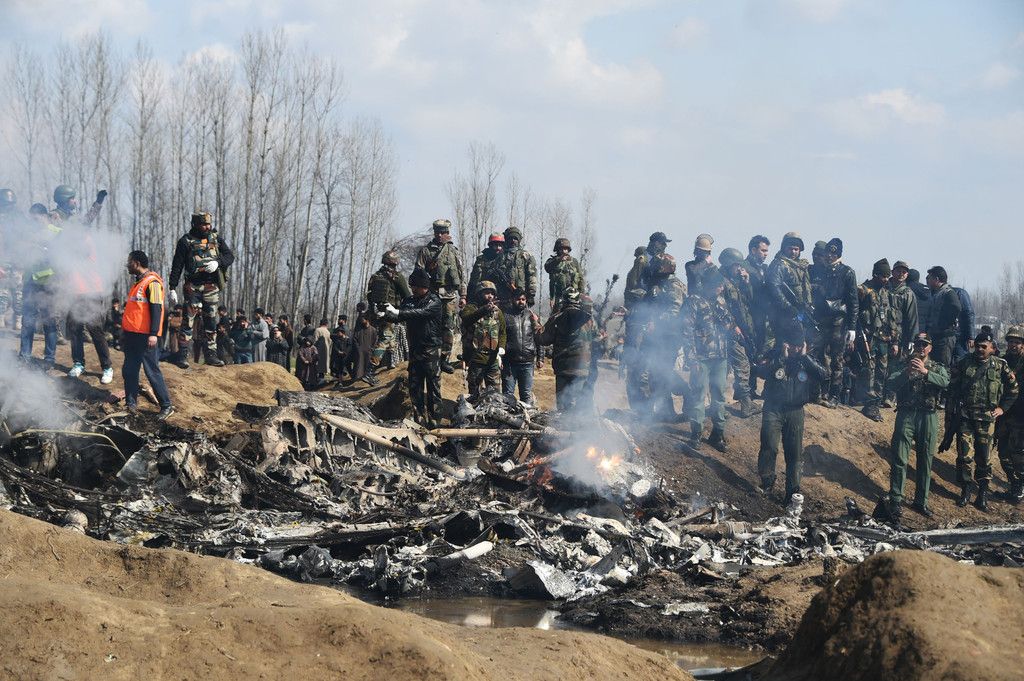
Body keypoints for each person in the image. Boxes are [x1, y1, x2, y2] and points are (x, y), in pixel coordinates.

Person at [945, 331, 1018, 511]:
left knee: (984, 459)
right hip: (966, 418)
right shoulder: (964, 363)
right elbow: (952, 388)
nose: (980, 349)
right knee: (964, 457)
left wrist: (1002, 408)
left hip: (987, 421)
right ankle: (965, 490)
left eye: (984, 347)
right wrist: (951, 414)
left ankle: (982, 494)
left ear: (992, 348)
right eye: (977, 346)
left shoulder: (1000, 366)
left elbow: (1013, 389)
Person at [755, 322, 828, 503]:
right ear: (785, 343)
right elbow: (760, 371)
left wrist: (805, 358)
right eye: (792, 345)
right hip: (773, 408)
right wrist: (781, 357)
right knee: (769, 446)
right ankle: (767, 481)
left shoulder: (808, 358)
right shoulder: (775, 354)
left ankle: (792, 493)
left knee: (794, 454)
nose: (795, 348)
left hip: (796, 411)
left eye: (798, 345)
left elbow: (824, 375)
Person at [883, 332, 949, 521]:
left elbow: (946, 383)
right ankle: (896, 499)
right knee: (900, 457)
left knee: (925, 460)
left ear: (930, 348)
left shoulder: (937, 367)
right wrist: (907, 372)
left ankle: (921, 501)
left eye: (924, 345)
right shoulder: (903, 364)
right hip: (906, 414)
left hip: (928, 416)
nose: (921, 348)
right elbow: (890, 383)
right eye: (918, 344)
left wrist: (926, 372)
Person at [168, 211, 233, 367]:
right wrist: (172, 287)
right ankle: (183, 355)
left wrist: (218, 262)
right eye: (203, 224)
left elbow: (230, 256)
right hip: (193, 286)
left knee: (211, 321)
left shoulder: (216, 239)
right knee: (188, 321)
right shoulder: (185, 241)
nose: (207, 227)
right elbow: (177, 265)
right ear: (195, 224)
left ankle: (211, 355)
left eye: (208, 224)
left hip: (211, 286)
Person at [381, 269, 444, 426]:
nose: (412, 289)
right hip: (415, 350)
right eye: (411, 286)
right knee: (415, 387)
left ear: (424, 286)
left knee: (433, 386)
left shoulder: (434, 301)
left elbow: (420, 313)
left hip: (431, 350)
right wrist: (384, 314)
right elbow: (399, 317)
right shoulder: (409, 301)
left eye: (415, 286)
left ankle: (435, 420)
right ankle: (419, 419)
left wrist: (398, 311)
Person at [681, 269, 733, 451]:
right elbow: (686, 332)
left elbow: (729, 325)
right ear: (709, 284)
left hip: (720, 356)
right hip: (701, 358)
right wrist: (692, 359)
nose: (721, 288)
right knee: (698, 394)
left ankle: (718, 434)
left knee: (719, 395)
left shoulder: (721, 301)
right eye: (718, 285)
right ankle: (696, 433)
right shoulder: (693, 301)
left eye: (722, 285)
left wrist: (727, 322)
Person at [121, 250, 173, 420]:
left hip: (145, 337)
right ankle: (131, 404)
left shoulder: (153, 283)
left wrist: (153, 334)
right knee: (129, 370)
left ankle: (166, 405)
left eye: (129, 262)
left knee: (151, 371)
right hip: (132, 335)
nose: (127, 265)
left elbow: (157, 309)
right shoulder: (138, 283)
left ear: (136, 263)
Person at [808, 239, 858, 408]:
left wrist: (852, 327)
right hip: (820, 320)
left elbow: (853, 301)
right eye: (828, 252)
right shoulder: (820, 270)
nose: (829, 256)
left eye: (833, 253)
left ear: (839, 254)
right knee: (816, 355)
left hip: (838, 322)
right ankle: (816, 392)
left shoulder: (847, 272)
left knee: (837, 359)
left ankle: (834, 395)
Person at [415, 218, 466, 373]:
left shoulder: (453, 251)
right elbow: (417, 274)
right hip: (431, 296)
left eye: (443, 232)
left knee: (448, 328)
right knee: (430, 328)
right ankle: (430, 357)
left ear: (447, 233)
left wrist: (463, 296)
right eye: (437, 232)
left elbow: (461, 274)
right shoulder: (426, 251)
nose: (439, 235)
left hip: (449, 296)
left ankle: (444, 359)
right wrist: (427, 270)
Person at [538, 288, 598, 414]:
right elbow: (598, 338)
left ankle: (563, 426)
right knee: (578, 406)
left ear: (563, 300)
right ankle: (579, 426)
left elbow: (542, 339)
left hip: (563, 367)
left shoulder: (556, 318)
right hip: (582, 367)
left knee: (563, 406)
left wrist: (536, 324)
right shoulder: (589, 320)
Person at [643, 253, 687, 420]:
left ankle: (689, 396)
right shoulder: (662, 284)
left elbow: (675, 311)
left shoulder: (673, 285)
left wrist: (656, 321)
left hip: (671, 336)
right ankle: (665, 411)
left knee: (663, 372)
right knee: (657, 372)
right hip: (662, 336)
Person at [19, 206, 63, 368]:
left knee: (49, 322)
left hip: (48, 283)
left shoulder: (57, 232)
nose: (33, 223)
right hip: (30, 281)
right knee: (27, 321)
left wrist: (43, 250)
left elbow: (63, 256)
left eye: (36, 219)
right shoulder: (29, 233)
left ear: (44, 216)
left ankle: (49, 359)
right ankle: (24, 356)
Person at [857, 259, 900, 422]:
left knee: (882, 371)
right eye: (883, 276)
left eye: (887, 276)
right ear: (875, 275)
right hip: (868, 338)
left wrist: (895, 342)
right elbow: (854, 312)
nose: (886, 279)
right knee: (869, 370)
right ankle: (869, 404)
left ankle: (875, 402)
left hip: (884, 340)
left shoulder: (887, 293)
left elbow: (892, 319)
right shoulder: (863, 290)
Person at [719, 248, 758, 417]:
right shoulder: (720, 281)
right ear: (729, 265)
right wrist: (734, 326)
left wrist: (746, 283)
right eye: (736, 265)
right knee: (741, 366)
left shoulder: (734, 281)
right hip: (726, 332)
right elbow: (721, 307)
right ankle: (745, 405)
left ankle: (722, 405)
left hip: (738, 330)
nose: (739, 269)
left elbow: (748, 302)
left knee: (729, 367)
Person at [366, 250, 411, 381]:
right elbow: (407, 295)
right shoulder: (396, 276)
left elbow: (369, 295)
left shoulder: (375, 276)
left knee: (390, 337)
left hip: (377, 312)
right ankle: (369, 370)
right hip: (390, 312)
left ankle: (391, 362)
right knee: (385, 339)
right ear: (395, 262)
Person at [460, 281, 506, 398]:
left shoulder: (497, 312)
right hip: (476, 358)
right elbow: (467, 319)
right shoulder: (470, 308)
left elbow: (502, 332)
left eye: (492, 293)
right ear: (479, 293)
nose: (490, 296)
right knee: (474, 394)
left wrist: (501, 348)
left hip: (492, 359)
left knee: (495, 394)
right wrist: (484, 310)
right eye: (487, 293)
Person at [996, 325, 1024, 504]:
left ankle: (1019, 487)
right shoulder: (1003, 361)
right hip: (1004, 414)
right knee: (1003, 453)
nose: (1013, 345)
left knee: (1018, 453)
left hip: (1021, 416)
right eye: (1011, 342)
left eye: (1017, 342)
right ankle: (1015, 485)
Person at [885, 261, 919, 405]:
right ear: (892, 272)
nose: (901, 274)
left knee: (895, 366)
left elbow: (912, 318)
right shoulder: (884, 287)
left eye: (904, 272)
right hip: (881, 333)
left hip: (899, 336)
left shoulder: (908, 293)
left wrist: (911, 339)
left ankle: (890, 395)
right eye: (898, 271)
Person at [766, 232, 813, 335]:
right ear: (784, 248)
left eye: (796, 249)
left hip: (797, 313)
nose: (793, 252)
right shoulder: (779, 265)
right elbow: (773, 287)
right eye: (790, 249)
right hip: (782, 315)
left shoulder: (800, 266)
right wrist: (788, 307)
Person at [503, 290, 542, 404]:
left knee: (526, 395)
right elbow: (501, 337)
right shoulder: (505, 316)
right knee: (507, 396)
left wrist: (540, 358)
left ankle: (527, 415)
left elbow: (539, 338)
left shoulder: (532, 316)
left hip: (527, 363)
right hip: (509, 363)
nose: (520, 302)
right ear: (512, 300)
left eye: (523, 299)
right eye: (518, 299)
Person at [745, 235, 772, 398]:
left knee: (761, 352)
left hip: (763, 318)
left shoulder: (766, 268)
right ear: (753, 250)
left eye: (767, 251)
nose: (765, 254)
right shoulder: (744, 267)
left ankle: (758, 390)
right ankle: (749, 390)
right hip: (749, 317)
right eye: (763, 250)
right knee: (750, 353)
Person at [923, 266, 960, 367]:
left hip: (945, 338)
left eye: (930, 278)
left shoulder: (948, 293)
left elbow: (956, 307)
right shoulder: (936, 293)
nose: (928, 281)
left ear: (936, 279)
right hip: (935, 336)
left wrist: (944, 323)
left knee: (942, 366)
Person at [494, 226, 538, 308]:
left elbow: (532, 275)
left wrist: (531, 294)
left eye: (515, 238)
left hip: (520, 296)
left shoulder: (526, 255)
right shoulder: (499, 256)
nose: (513, 241)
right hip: (503, 297)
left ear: (519, 240)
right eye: (510, 238)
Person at [545, 238, 586, 314]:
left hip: (574, 296)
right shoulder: (552, 261)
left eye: (566, 249)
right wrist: (559, 260)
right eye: (561, 249)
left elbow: (581, 279)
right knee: (556, 316)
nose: (564, 251)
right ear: (557, 250)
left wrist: (582, 294)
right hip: (559, 297)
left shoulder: (574, 262)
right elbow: (547, 268)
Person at [468, 233, 505, 299]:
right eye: (495, 245)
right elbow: (474, 279)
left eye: (500, 245)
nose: (498, 248)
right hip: (485, 293)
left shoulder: (505, 259)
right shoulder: (481, 259)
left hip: (502, 294)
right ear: (491, 245)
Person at [351, 314, 378, 385]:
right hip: (360, 351)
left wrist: (372, 348)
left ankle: (369, 378)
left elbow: (375, 340)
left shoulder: (373, 330)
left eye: (363, 319)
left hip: (369, 351)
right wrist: (358, 348)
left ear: (367, 320)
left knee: (368, 365)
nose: (361, 321)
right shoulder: (359, 330)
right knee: (360, 365)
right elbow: (354, 339)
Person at [952, 286, 975, 364]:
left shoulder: (959, 293)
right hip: (943, 337)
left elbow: (968, 314)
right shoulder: (934, 294)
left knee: (961, 361)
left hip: (960, 336)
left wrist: (971, 336)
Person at [314, 318, 332, 383]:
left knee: (317, 365)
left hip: (318, 350)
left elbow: (315, 341)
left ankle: (316, 380)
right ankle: (321, 379)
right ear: (326, 324)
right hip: (326, 350)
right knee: (323, 365)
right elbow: (330, 342)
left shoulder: (317, 330)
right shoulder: (328, 332)